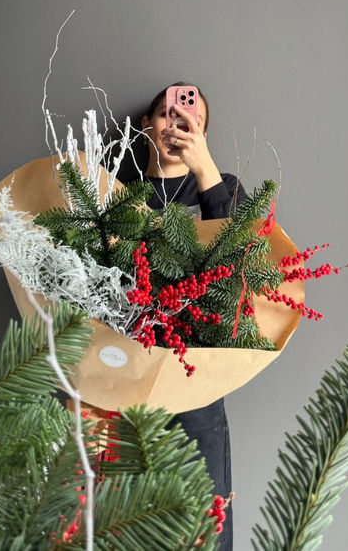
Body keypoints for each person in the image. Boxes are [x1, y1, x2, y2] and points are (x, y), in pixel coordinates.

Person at [139, 82, 247, 551]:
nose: (178, 124)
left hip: (196, 384)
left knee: (203, 527)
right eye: (169, 114)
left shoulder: (222, 189)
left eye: (191, 120)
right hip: (124, 379)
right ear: (147, 125)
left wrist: (205, 170)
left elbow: (242, 267)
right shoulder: (116, 193)